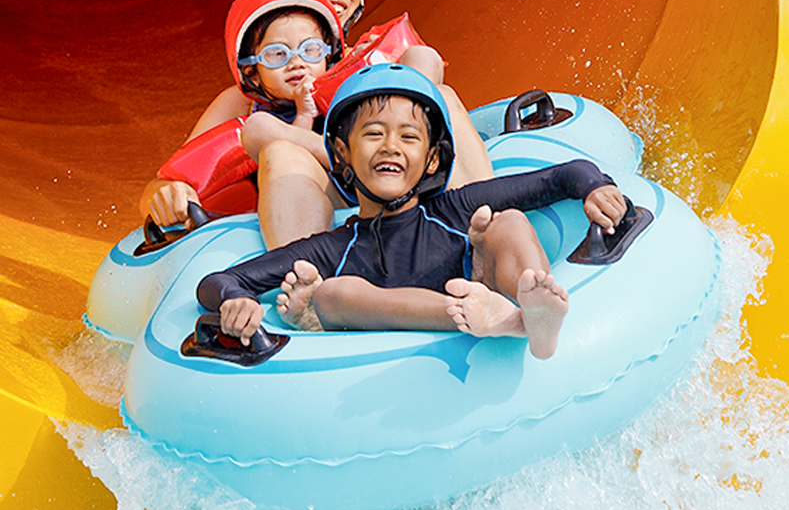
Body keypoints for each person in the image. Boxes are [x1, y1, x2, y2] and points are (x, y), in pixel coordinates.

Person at [196, 64, 628, 360]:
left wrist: (594, 187)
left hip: (492, 290)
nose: (390, 146)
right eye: (373, 134)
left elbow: (561, 176)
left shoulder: (455, 207)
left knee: (510, 221)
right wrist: (235, 299)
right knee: (330, 294)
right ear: (342, 153)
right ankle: (493, 317)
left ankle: (536, 320)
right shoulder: (334, 248)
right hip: (454, 320)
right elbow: (219, 281)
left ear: (433, 161)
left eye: (408, 137)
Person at [140, 0, 492, 244]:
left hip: (408, 186)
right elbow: (172, 180)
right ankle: (306, 281)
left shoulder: (382, 68)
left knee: (440, 96)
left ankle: (483, 234)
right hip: (329, 212)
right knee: (280, 149)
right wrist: (169, 196)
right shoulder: (245, 100)